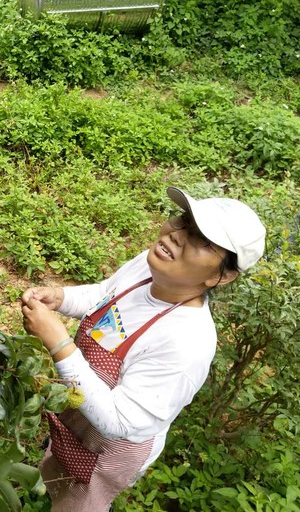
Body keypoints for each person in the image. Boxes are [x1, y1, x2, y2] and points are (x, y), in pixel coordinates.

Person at [21, 186, 266, 511]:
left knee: (78, 500)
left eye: (203, 241)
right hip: (76, 413)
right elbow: (105, 295)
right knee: (54, 465)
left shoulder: (186, 343)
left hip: (108, 447)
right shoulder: (150, 267)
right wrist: (61, 297)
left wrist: (60, 344)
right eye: (184, 221)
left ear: (222, 277)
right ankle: (40, 489)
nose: (177, 235)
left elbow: (120, 420)